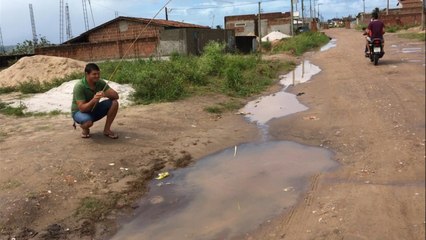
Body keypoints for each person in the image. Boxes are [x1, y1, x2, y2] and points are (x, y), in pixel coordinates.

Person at [71, 63, 119, 139]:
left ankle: (107, 130)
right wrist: (94, 100)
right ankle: (85, 127)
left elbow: (116, 96)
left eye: (98, 73)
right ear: (87, 74)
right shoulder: (79, 86)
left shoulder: (100, 82)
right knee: (88, 122)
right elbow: (82, 108)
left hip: (94, 109)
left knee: (114, 103)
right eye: (94, 74)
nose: (97, 76)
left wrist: (105, 94)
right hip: (79, 112)